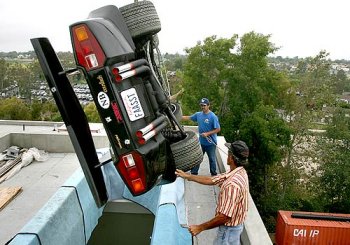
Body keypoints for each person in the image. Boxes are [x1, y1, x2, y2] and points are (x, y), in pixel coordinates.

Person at [175, 140, 250, 245]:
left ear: (231, 158)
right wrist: (188, 176)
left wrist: (199, 227)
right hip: (233, 230)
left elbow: (224, 217)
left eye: (229, 153)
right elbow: (212, 180)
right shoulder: (239, 172)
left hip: (228, 232)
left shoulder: (232, 184)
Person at [182, 98, 220, 176]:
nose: (202, 107)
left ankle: (213, 174)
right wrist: (177, 117)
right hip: (201, 142)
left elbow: (218, 129)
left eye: (204, 105)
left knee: (212, 159)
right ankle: (194, 173)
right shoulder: (198, 115)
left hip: (210, 143)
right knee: (197, 158)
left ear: (208, 105)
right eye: (201, 105)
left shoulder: (213, 117)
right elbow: (189, 117)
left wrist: (207, 133)